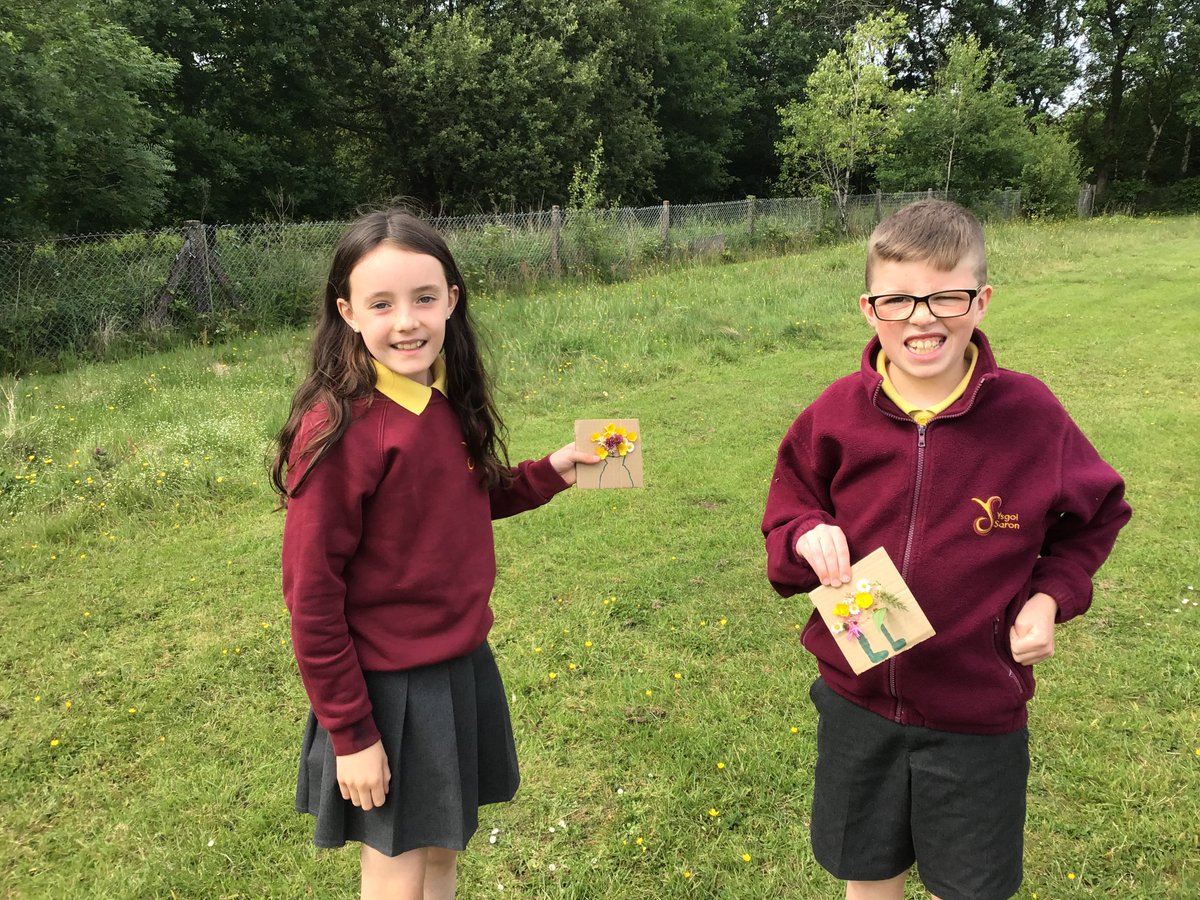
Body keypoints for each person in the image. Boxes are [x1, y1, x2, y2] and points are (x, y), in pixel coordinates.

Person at [761, 199, 1130, 900]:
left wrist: (1051, 597)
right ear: (869, 309)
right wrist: (808, 534)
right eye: (898, 299)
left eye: (946, 296)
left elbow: (1096, 516)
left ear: (981, 300)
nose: (921, 318)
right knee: (867, 873)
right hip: (857, 701)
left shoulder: (1031, 416)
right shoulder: (834, 414)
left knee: (970, 887)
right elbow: (787, 514)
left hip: (977, 715)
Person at [271, 208, 598, 900]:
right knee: (397, 868)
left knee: (445, 852)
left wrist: (557, 469)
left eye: (424, 297)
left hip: (458, 668)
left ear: (453, 298)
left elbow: (470, 494)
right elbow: (312, 597)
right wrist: (353, 733)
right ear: (347, 312)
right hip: (385, 690)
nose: (407, 321)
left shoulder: (443, 397)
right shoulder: (338, 429)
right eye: (381, 304)